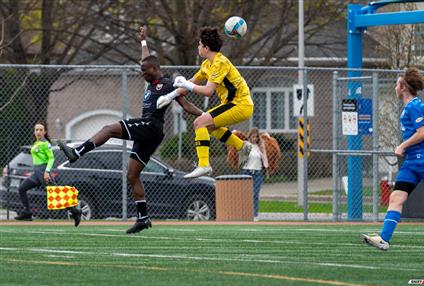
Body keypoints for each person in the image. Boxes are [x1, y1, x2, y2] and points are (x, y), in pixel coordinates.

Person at [57, 26, 204, 234]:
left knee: (108, 129)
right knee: (132, 175)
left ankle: (77, 153)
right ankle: (143, 218)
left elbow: (187, 106)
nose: (142, 74)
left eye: (145, 71)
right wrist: (143, 41)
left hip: (151, 126)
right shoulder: (151, 77)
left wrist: (208, 117)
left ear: (155, 69)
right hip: (149, 134)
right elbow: (146, 59)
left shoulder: (167, 84)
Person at [362, 68, 424, 251]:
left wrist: (404, 147)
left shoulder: (414, 106)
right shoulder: (414, 106)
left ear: (402, 87)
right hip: (412, 163)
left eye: (396, 84)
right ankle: (383, 239)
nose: (395, 87)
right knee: (396, 197)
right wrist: (418, 149)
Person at [157, 27, 254, 178]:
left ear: (206, 48)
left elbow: (208, 91)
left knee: (199, 123)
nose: (198, 47)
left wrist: (186, 84)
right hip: (233, 104)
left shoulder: (220, 62)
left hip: (241, 104)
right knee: (207, 127)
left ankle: (204, 165)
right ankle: (242, 146)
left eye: (199, 45)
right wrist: (169, 96)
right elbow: (189, 84)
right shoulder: (206, 65)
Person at [15, 121, 82, 226]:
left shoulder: (46, 144)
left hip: (43, 172)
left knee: (56, 195)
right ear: (34, 131)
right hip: (37, 173)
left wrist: (46, 172)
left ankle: (75, 212)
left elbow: (51, 158)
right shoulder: (37, 143)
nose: (38, 132)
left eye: (41, 130)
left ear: (45, 132)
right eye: (36, 130)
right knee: (22, 188)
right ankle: (27, 212)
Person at [239, 128, 269, 219]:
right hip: (246, 172)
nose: (254, 138)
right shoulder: (246, 145)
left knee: (255, 194)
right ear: (249, 136)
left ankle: (255, 214)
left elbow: (264, 158)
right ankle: (245, 213)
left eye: (256, 137)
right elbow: (242, 159)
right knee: (246, 194)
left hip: (257, 173)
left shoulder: (260, 146)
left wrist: (267, 168)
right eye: (253, 137)